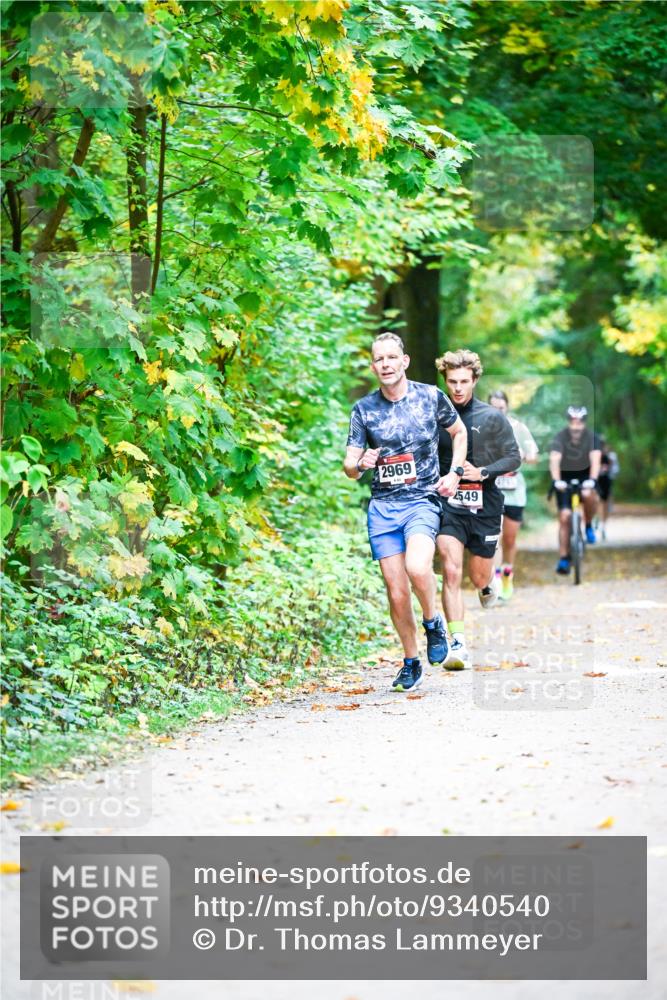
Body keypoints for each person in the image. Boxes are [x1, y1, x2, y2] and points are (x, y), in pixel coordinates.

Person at [344, 333, 467, 692]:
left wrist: (455, 473)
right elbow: (350, 464)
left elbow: (458, 433)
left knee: (417, 567)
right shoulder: (364, 409)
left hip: (421, 501)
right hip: (383, 507)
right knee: (396, 591)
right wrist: (360, 464)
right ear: (373, 366)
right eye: (378, 359)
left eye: (391, 357)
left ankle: (433, 622)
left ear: (404, 361)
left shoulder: (430, 397)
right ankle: (411, 661)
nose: (385, 364)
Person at [434, 350, 521, 669]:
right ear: (445, 380)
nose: (457, 388)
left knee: (478, 574)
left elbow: (514, 457)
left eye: (464, 382)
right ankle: (457, 644)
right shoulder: (434, 414)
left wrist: (482, 472)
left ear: (475, 381)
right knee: (451, 569)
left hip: (485, 504)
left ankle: (487, 585)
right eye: (452, 382)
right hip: (448, 505)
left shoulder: (491, 417)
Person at [488, 390, 539, 600]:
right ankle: (496, 579)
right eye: (493, 407)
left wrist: (525, 456)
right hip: (492, 491)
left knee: (509, 539)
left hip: (514, 492)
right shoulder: (482, 428)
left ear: (507, 407)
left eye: (501, 407)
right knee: (496, 537)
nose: (497, 411)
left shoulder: (519, 428)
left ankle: (508, 573)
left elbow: (534, 455)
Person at [548, 405, 602, 574]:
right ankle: (564, 558)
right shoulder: (560, 437)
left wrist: (593, 480)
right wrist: (556, 480)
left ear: (584, 422)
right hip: (564, 480)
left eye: (579, 421)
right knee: (565, 517)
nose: (576, 424)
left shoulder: (592, 437)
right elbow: (554, 460)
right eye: (572, 421)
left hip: (586, 478)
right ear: (568, 421)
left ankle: (588, 525)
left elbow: (595, 460)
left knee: (588, 494)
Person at [596, 435, 620, 540]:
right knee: (598, 502)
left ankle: (602, 524)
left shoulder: (610, 456)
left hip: (606, 481)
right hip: (596, 482)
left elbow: (614, 469)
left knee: (604, 503)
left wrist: (607, 469)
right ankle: (598, 521)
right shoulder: (594, 454)